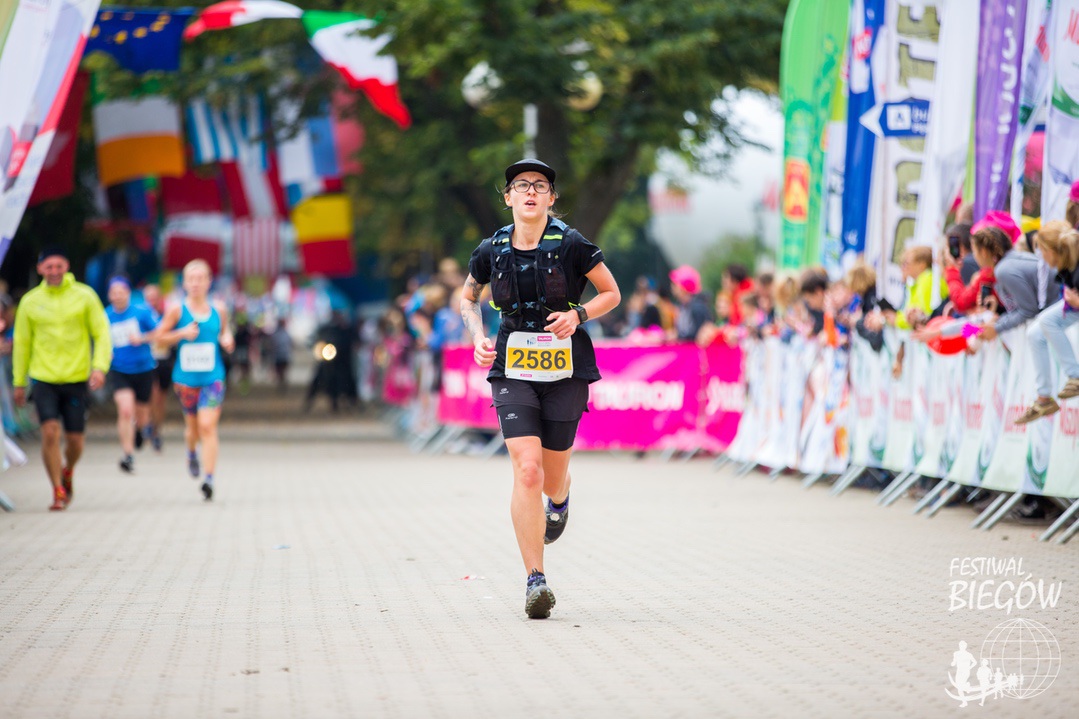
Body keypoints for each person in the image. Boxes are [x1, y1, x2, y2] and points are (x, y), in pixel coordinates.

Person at [460, 158, 621, 619]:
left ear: (551, 198)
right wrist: (477, 335)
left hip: (565, 369)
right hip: (513, 367)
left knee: (550, 478)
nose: (530, 191)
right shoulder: (491, 249)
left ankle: (561, 496)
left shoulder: (572, 244)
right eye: (521, 185)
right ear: (508, 196)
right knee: (527, 471)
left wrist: (578, 315)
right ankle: (535, 580)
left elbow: (611, 293)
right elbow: (468, 297)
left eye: (540, 185)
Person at [12, 247, 111, 510]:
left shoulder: (85, 296)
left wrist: (99, 367)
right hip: (43, 377)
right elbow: (22, 343)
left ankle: (68, 470)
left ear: (67, 266)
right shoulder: (30, 301)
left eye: (58, 266)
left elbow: (102, 333)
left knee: (75, 441)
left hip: (76, 377)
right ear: (40, 269)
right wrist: (19, 381)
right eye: (49, 267)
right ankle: (57, 489)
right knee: (49, 432)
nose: (54, 271)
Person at [154, 260, 235, 501]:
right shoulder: (177, 310)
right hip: (185, 379)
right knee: (193, 428)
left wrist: (227, 339)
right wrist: (181, 333)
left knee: (207, 426)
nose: (196, 283)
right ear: (185, 283)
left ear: (209, 282)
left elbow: (224, 331)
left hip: (213, 377)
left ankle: (209, 479)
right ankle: (191, 452)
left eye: (201, 279)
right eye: (191, 279)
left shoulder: (219, 309)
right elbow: (159, 338)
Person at [1016, 221, 1079, 423]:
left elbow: (1027, 309)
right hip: (1072, 305)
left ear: (1050, 251)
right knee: (1034, 333)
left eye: (1041, 251)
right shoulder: (1070, 263)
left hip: (1074, 305)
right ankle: (1044, 398)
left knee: (1047, 320)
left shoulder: (1004, 271)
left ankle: (1075, 376)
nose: (1041, 257)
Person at [104, 277, 159, 473]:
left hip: (143, 368)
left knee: (142, 414)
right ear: (109, 295)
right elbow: (100, 338)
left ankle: (140, 429)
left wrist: (142, 338)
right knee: (126, 410)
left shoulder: (142, 312)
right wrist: (105, 352)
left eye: (121, 292)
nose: (118, 296)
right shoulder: (105, 316)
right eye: (114, 293)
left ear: (128, 293)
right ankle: (128, 455)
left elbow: (160, 332)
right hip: (119, 370)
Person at [970, 225, 1059, 343]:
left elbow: (1028, 310)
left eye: (974, 251)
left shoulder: (1003, 270)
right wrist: (998, 321)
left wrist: (997, 328)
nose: (974, 256)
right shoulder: (1010, 260)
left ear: (984, 252)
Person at [669, 265, 712, 341]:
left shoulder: (697, 307)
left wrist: (678, 336)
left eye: (675, 284)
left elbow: (698, 335)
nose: (672, 287)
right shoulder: (684, 306)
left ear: (684, 287)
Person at [269, 318, 293, 393]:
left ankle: (282, 385)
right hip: (283, 356)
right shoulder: (286, 334)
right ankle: (282, 385)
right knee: (281, 372)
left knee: (280, 372)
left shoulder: (276, 334)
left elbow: (272, 346)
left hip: (280, 356)